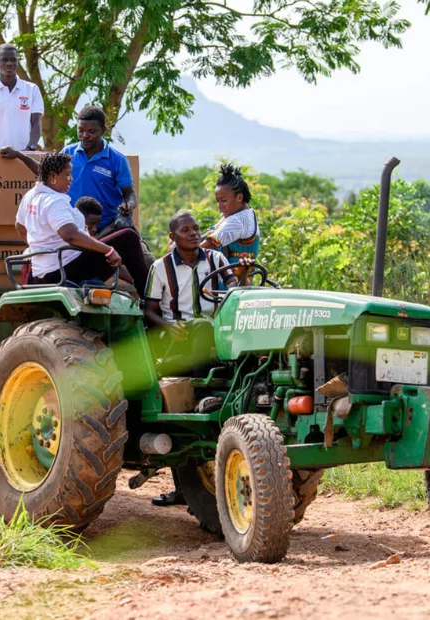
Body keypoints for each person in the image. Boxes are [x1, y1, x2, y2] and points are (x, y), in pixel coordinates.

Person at [144, 210, 252, 507]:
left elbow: (234, 292)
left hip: (214, 336)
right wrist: (168, 327)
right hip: (175, 340)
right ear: (172, 237)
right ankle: (205, 395)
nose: (193, 233)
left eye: (196, 229)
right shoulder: (160, 267)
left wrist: (243, 274)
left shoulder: (216, 259)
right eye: (186, 230)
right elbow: (148, 310)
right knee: (202, 326)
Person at [15, 151, 150, 297]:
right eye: (67, 175)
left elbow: (20, 228)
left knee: (99, 244)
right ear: (53, 176)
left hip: (42, 272)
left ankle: (141, 288)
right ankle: (149, 299)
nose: (71, 179)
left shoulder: (30, 196)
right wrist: (108, 250)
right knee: (128, 237)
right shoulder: (54, 201)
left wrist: (40, 248)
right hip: (62, 272)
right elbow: (70, 235)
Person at [62, 106, 138, 237]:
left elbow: (129, 192)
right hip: (73, 228)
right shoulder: (67, 153)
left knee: (141, 251)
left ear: (103, 130)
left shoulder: (117, 160)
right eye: (81, 131)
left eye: (91, 131)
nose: (85, 136)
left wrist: (129, 205)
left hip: (107, 228)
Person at [0, 44, 44, 151]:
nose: (9, 63)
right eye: (4, 60)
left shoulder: (31, 90)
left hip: (23, 155)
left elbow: (36, 124)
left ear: (18, 61)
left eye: (13, 60)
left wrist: (30, 147)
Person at [199, 163, 260, 279]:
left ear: (239, 197)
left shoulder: (238, 221)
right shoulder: (241, 213)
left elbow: (205, 247)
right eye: (217, 201)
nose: (219, 205)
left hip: (231, 281)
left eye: (223, 200)